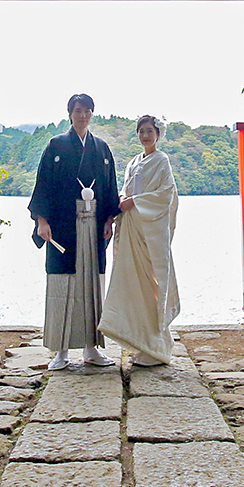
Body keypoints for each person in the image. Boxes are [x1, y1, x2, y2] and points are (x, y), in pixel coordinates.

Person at [29, 93, 120, 370]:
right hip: (63, 224)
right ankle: (61, 350)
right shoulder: (56, 145)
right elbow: (43, 184)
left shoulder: (102, 149)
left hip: (93, 225)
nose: (82, 115)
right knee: (62, 286)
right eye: (78, 110)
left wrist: (109, 220)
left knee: (91, 285)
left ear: (92, 114)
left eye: (87, 110)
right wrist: (42, 221)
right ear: (70, 113)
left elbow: (109, 187)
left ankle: (92, 348)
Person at [99, 114, 180, 366]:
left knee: (149, 286)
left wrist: (134, 201)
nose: (145, 135)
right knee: (130, 283)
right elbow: (126, 190)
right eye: (141, 131)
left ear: (158, 134)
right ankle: (137, 340)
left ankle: (156, 345)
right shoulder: (134, 161)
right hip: (131, 226)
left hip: (148, 230)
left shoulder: (161, 160)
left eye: (149, 131)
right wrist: (116, 212)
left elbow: (166, 193)